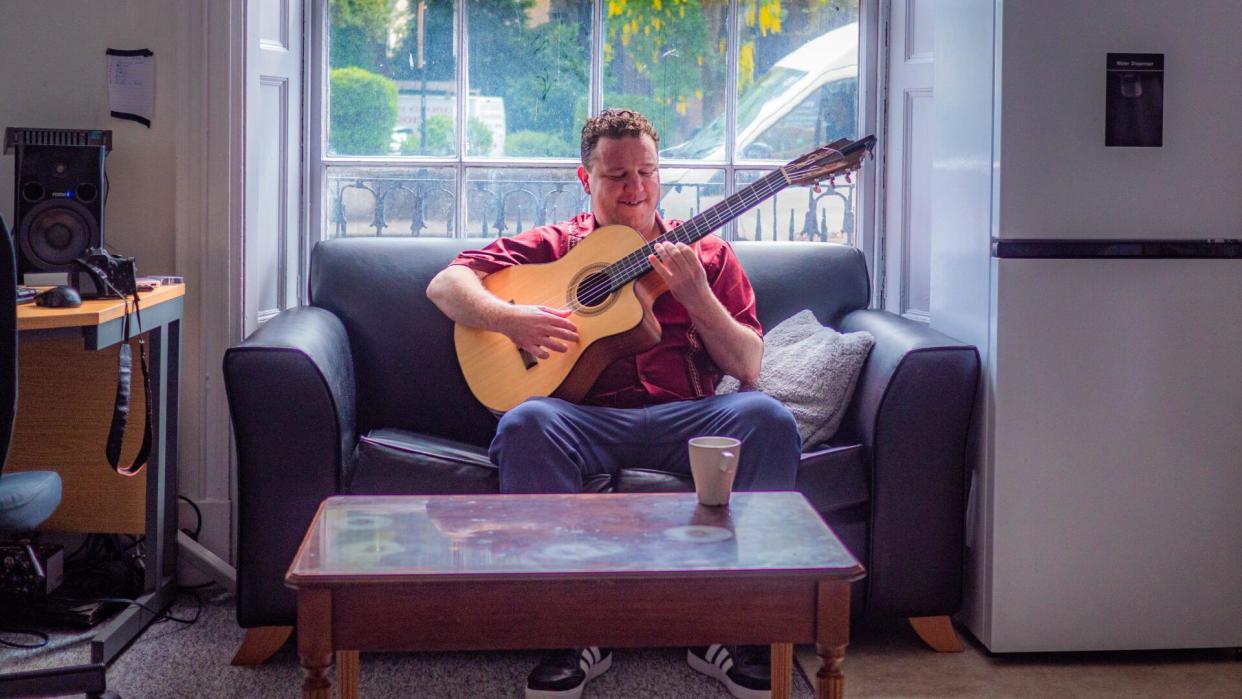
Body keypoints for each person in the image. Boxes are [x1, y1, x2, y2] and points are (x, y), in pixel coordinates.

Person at [426, 109, 800, 699]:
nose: (635, 189)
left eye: (647, 173)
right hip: (584, 421)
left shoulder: (707, 253)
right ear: (586, 178)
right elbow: (447, 285)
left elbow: (749, 365)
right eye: (617, 176)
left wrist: (697, 295)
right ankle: (568, 634)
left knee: (767, 417)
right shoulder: (553, 247)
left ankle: (735, 631)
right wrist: (512, 319)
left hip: (687, 420)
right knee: (527, 421)